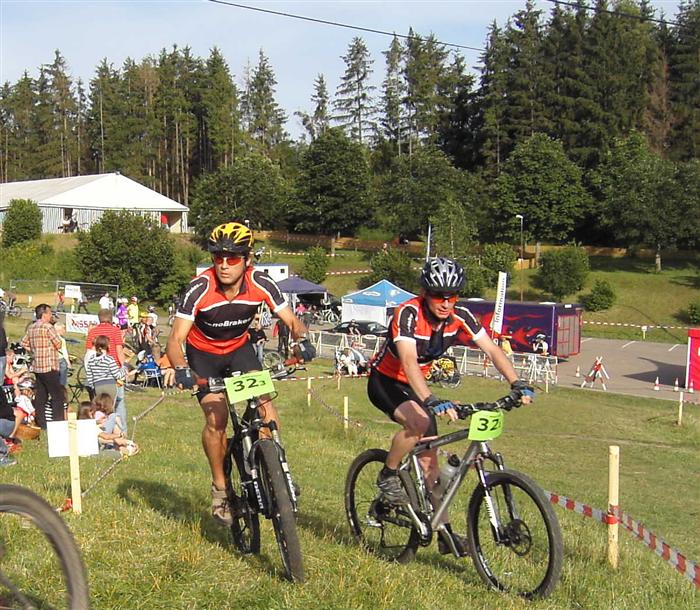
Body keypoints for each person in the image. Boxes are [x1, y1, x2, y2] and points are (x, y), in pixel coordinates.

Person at [368, 257, 534, 556]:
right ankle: (388, 475)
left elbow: (493, 350)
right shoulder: (408, 313)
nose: (445, 303)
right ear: (425, 293)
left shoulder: (461, 316)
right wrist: (431, 399)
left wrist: (516, 382)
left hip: (418, 386)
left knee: (431, 469)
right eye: (438, 296)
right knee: (418, 422)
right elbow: (408, 360)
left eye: (452, 296)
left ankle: (444, 533)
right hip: (387, 381)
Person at [166, 221, 313, 527]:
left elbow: (291, 321)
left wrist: (302, 340)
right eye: (217, 257)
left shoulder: (261, 282)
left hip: (238, 351)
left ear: (247, 260)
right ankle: (220, 489)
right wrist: (181, 368)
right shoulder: (199, 288)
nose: (223, 265)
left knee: (265, 407)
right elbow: (175, 339)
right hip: (203, 356)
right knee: (217, 419)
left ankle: (277, 471)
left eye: (232, 258)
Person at [21, 304, 65, 428]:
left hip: (37, 366)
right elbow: (58, 343)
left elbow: (23, 343)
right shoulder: (48, 327)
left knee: (41, 395)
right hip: (49, 365)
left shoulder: (32, 327)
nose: (51, 315)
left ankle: (41, 422)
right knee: (57, 395)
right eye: (50, 313)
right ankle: (58, 423)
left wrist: (34, 351)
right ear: (44, 314)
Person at [84, 309, 128, 434]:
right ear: (111, 318)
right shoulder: (115, 330)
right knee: (119, 402)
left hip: (98, 374)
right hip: (113, 370)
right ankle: (121, 431)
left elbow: (89, 352)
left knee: (100, 405)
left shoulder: (93, 332)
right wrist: (123, 367)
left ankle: (100, 430)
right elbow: (119, 350)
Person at [85, 335, 125, 403]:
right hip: (110, 385)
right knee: (109, 407)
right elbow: (117, 375)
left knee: (100, 407)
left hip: (97, 386)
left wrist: (92, 387)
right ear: (108, 345)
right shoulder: (109, 359)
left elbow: (89, 376)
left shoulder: (91, 359)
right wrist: (123, 370)